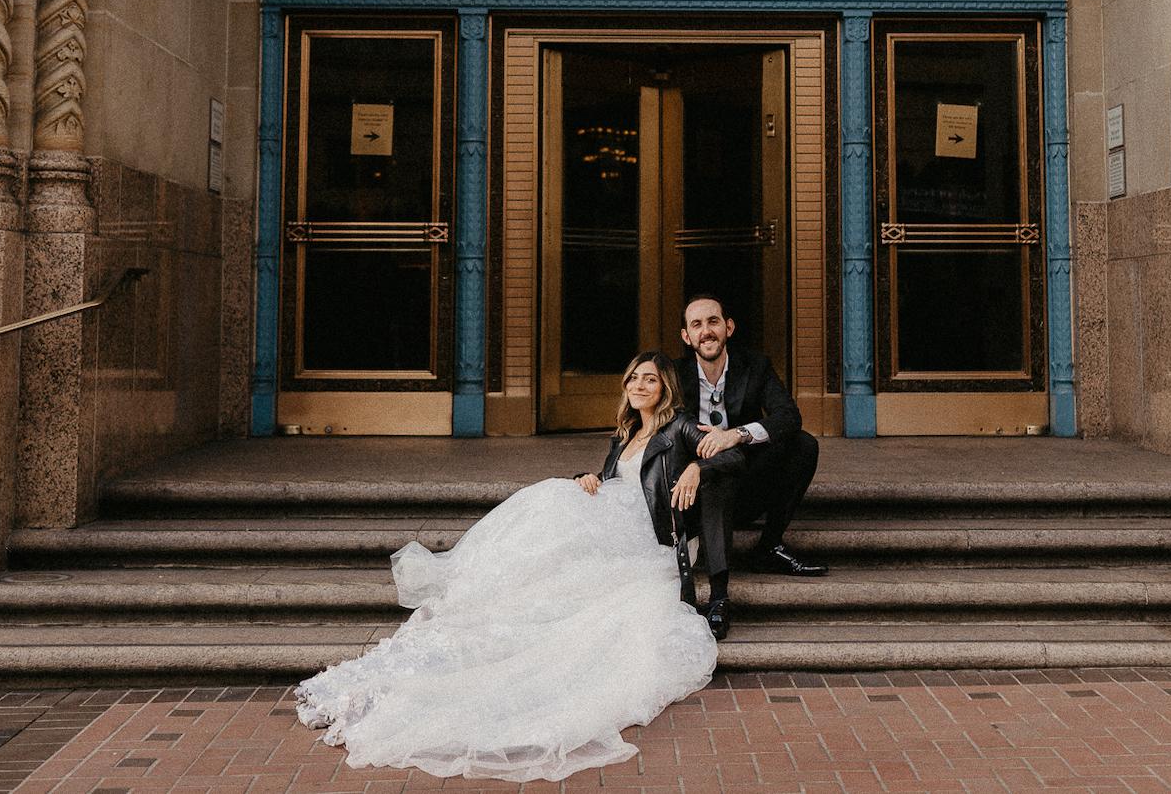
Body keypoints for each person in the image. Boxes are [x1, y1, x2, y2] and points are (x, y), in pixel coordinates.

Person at [293, 352, 720, 782]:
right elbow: (619, 482)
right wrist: (589, 478)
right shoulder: (624, 434)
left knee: (551, 503)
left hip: (650, 543)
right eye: (634, 379)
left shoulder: (679, 426)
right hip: (616, 530)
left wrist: (697, 469)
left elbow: (729, 453)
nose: (640, 386)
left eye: (650, 380)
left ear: (665, 387)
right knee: (556, 501)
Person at [675, 292, 827, 642]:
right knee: (714, 472)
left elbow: (789, 416)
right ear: (687, 336)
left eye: (713, 322)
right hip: (695, 493)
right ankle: (718, 599)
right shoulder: (674, 373)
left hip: (745, 482)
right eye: (696, 325)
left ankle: (769, 546)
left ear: (728, 327)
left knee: (803, 444)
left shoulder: (754, 365)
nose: (706, 331)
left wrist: (737, 435)